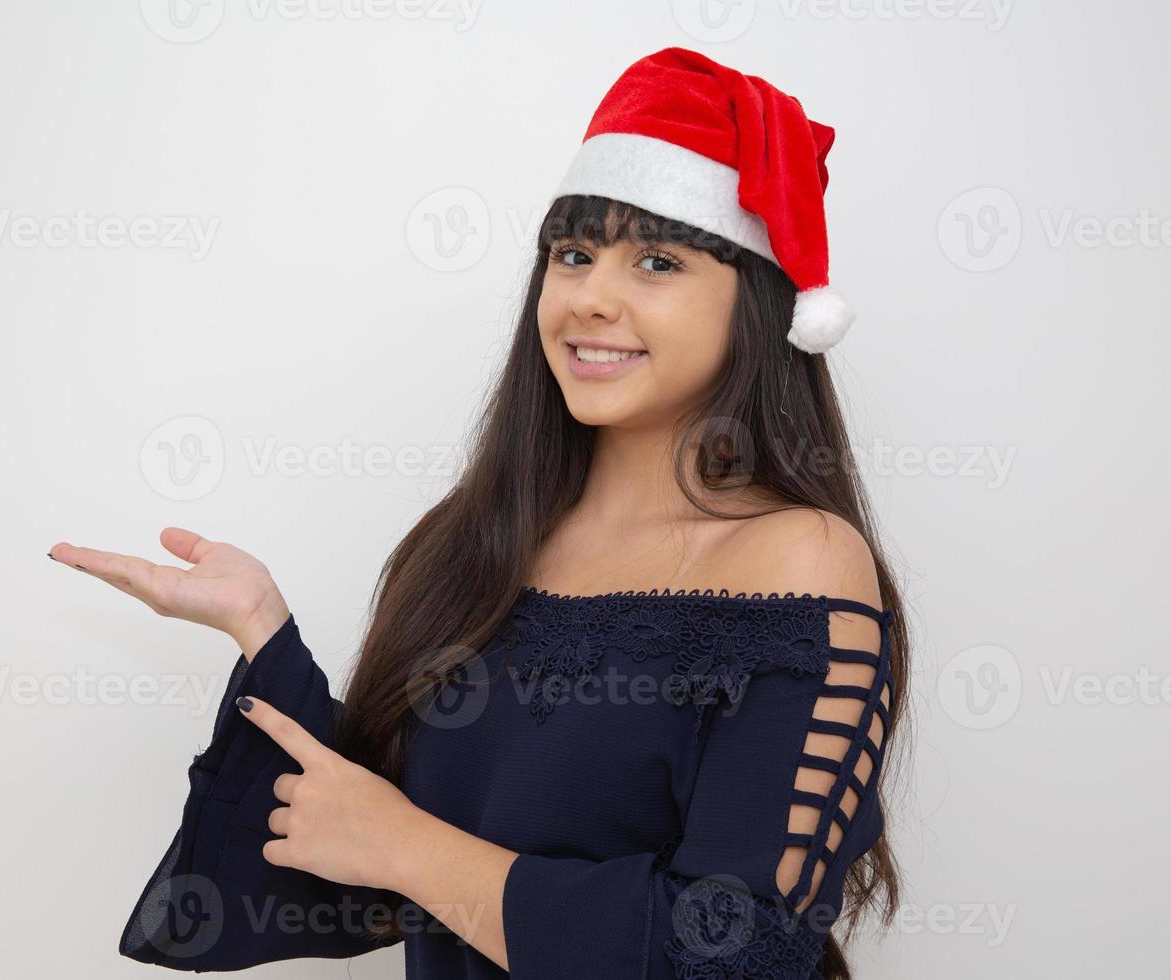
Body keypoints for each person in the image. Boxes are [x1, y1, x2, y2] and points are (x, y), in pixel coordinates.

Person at [50, 45, 910, 980]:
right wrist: (263, 630)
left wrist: (405, 847)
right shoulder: (475, 543)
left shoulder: (796, 564)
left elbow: (732, 953)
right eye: (572, 255)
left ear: (757, 301)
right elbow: (361, 867)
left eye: (656, 261)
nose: (591, 298)